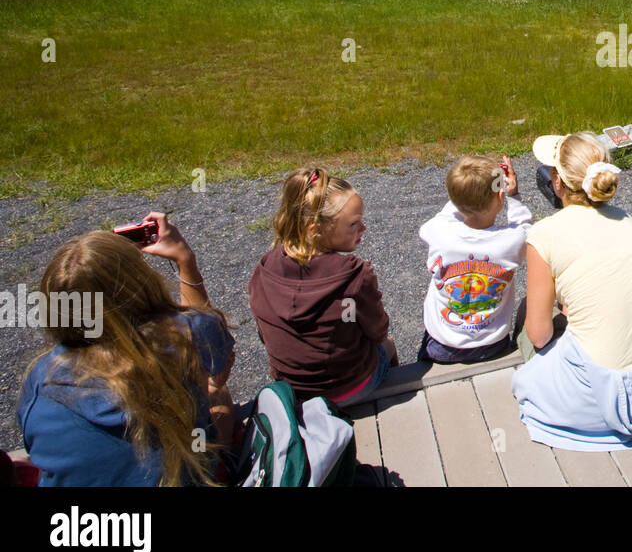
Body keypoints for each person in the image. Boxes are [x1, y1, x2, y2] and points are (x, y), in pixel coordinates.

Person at [18, 215, 236, 486]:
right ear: (140, 283)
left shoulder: (40, 376)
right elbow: (216, 357)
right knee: (217, 396)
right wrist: (185, 261)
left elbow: (32, 444)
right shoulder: (187, 336)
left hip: (80, 527)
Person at [511, 132, 632, 450]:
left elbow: (539, 336)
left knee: (531, 319)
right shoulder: (625, 219)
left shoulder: (544, 233)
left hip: (601, 398)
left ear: (558, 183)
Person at [249, 167, 397, 404]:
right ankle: (390, 399)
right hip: (348, 388)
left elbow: (264, 333)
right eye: (353, 224)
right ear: (316, 229)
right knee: (386, 345)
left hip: (292, 392)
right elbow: (377, 329)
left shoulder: (265, 268)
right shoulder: (354, 275)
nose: (364, 229)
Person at [417, 154, 531, 364]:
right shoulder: (512, 240)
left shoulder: (438, 231)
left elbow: (449, 212)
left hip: (441, 343)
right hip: (492, 343)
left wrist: (464, 191)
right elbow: (525, 227)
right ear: (500, 196)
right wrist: (513, 196)